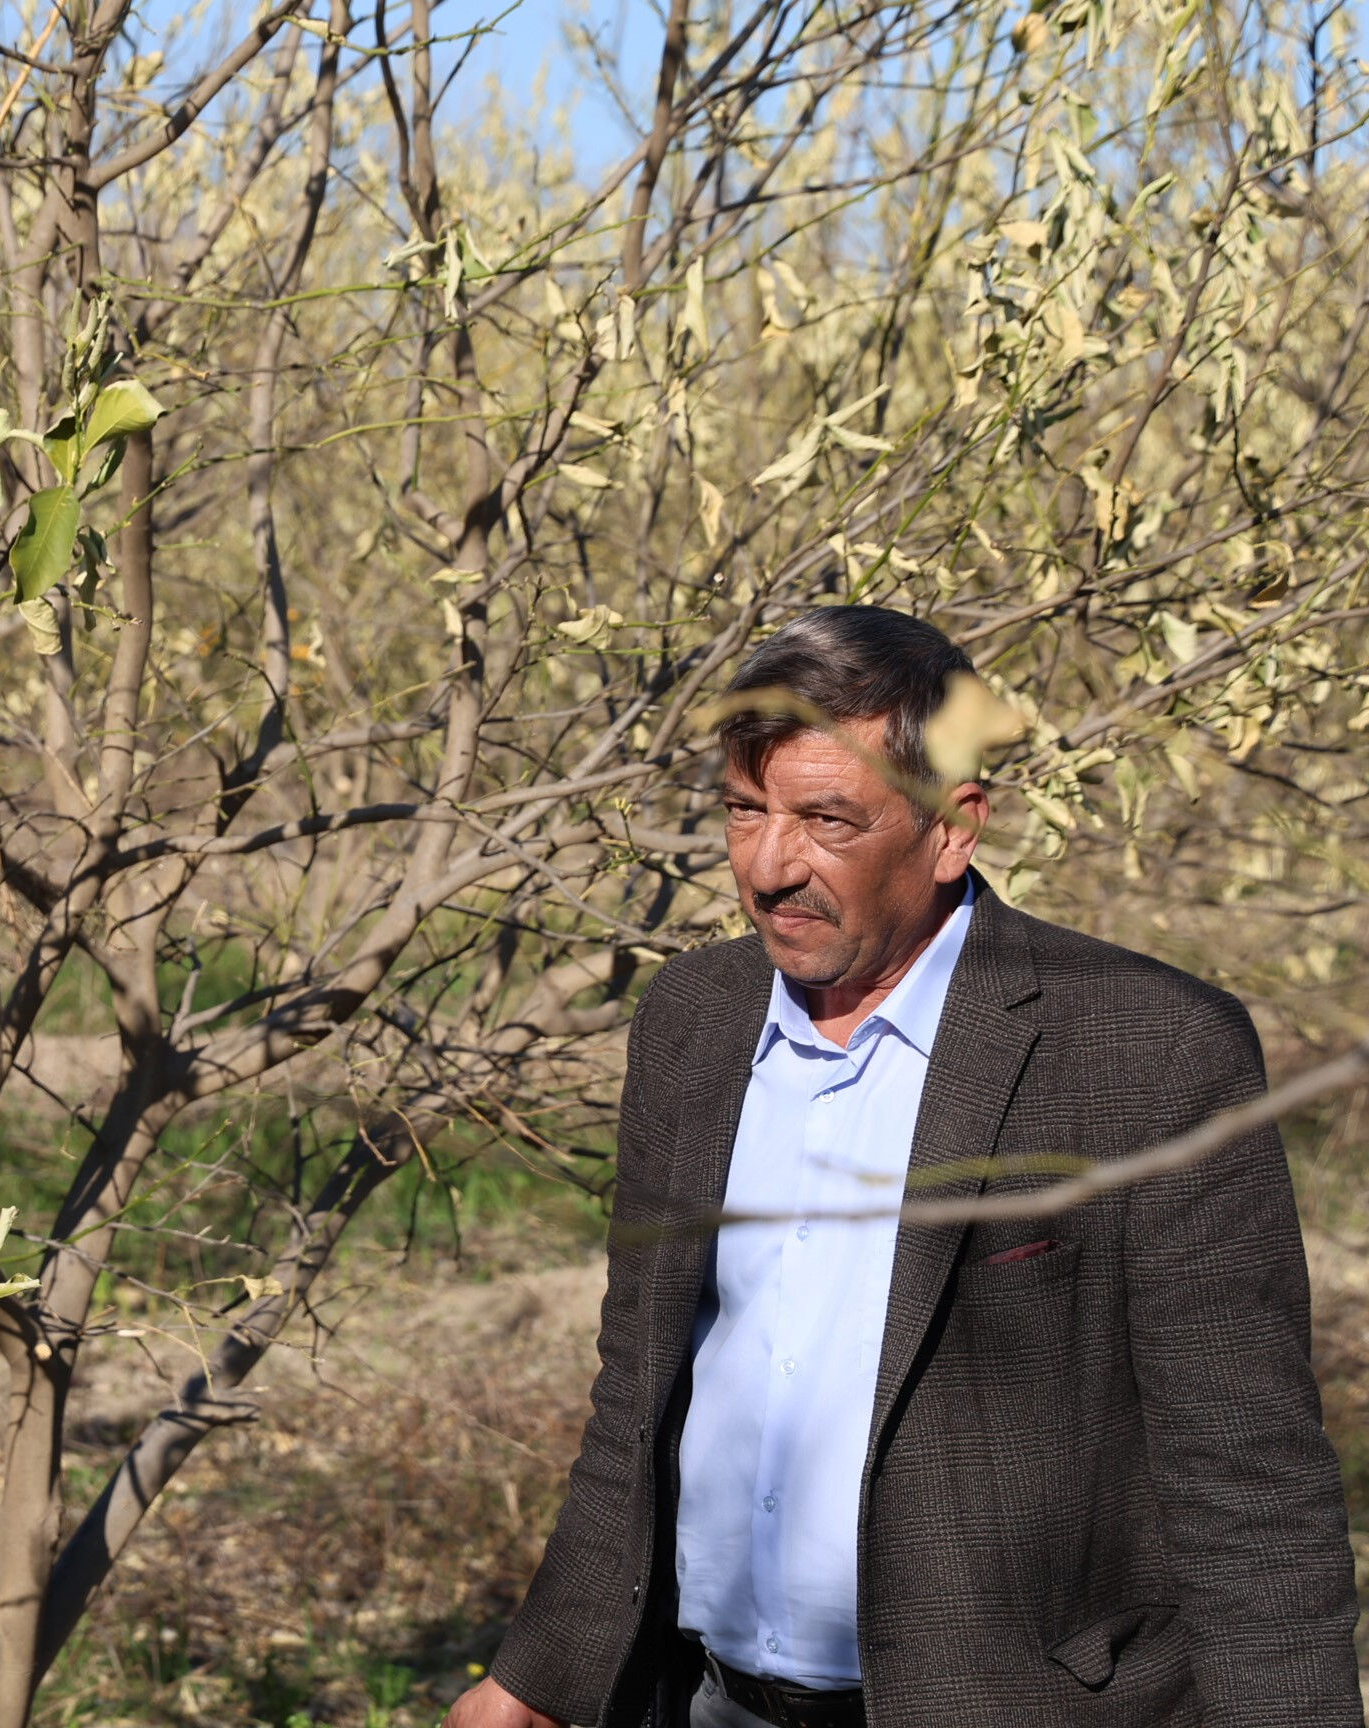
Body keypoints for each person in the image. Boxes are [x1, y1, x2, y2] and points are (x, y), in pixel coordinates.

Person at [446, 606, 1360, 1728]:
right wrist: (544, 1670)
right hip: (706, 1703)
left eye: (826, 818)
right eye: (744, 810)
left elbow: (1249, 1479)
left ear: (950, 829)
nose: (768, 865)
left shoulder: (1151, 1052)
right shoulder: (693, 1020)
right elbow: (641, 1394)